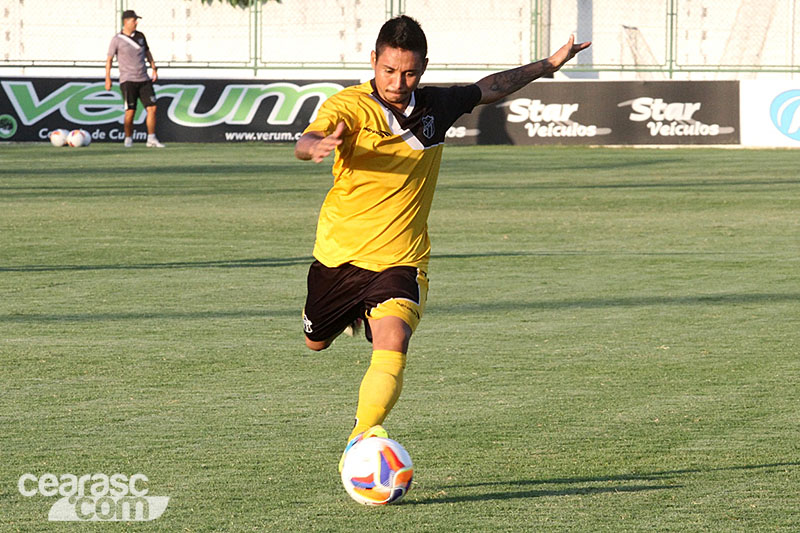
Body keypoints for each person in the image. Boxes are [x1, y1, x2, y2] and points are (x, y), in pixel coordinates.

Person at [294, 15, 590, 470]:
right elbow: (311, 136)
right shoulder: (349, 107)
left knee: (393, 340)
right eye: (389, 70)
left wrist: (548, 65)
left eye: (409, 72)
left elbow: (491, 86)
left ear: (424, 68)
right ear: (374, 61)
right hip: (340, 254)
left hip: (402, 259)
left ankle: (360, 438)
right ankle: (355, 314)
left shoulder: (437, 106)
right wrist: (313, 145)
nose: (397, 81)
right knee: (315, 343)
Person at [105, 9, 165, 148]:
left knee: (152, 108)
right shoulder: (117, 40)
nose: (136, 22)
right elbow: (109, 59)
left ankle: (151, 138)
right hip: (128, 80)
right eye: (134, 20)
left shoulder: (140, 36)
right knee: (130, 112)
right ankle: (128, 139)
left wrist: (153, 67)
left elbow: (147, 52)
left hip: (144, 79)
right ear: (126, 22)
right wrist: (108, 78)